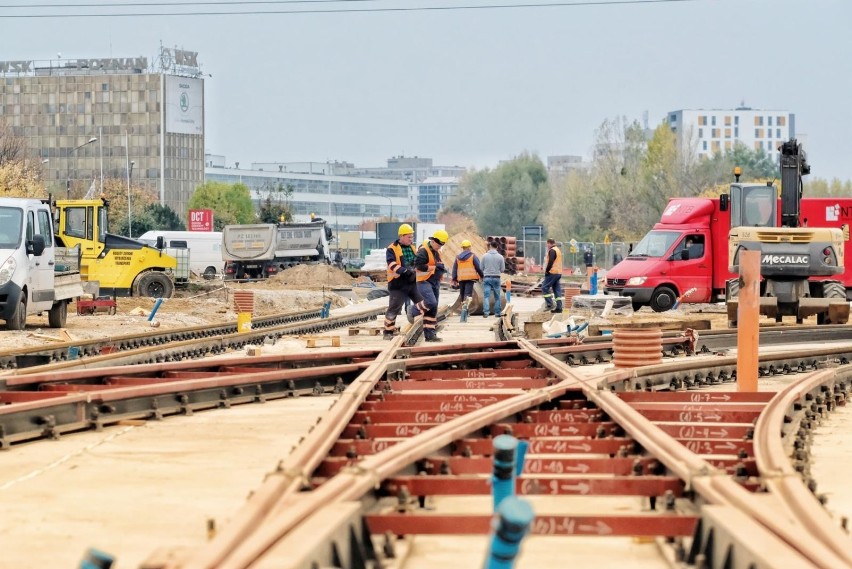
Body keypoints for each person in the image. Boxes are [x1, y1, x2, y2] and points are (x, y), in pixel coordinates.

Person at [383, 223, 427, 340]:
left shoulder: (412, 248)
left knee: (423, 303)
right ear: (401, 236)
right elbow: (391, 264)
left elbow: (415, 261)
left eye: (412, 237)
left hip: (411, 283)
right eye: (409, 237)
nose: (411, 239)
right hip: (398, 284)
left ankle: (425, 325)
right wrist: (404, 271)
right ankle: (388, 332)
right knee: (394, 309)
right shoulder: (392, 248)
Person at [412, 229, 449, 342]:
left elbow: (439, 264)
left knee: (432, 309)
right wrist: (434, 268)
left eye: (442, 244)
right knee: (430, 302)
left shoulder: (437, 251)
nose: (440, 246)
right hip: (424, 280)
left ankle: (430, 335)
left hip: (434, 281)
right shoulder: (423, 250)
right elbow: (418, 265)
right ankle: (412, 310)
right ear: (433, 241)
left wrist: (440, 272)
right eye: (439, 244)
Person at [451, 239, 484, 311]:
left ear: (462, 247)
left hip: (461, 278)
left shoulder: (458, 257)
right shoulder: (472, 256)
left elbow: (454, 269)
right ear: (469, 247)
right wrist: (482, 276)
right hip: (470, 278)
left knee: (462, 294)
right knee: (468, 294)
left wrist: (454, 279)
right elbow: (478, 267)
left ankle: (464, 310)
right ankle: (465, 310)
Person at [481, 240, 505, 317]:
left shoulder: (484, 256)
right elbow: (502, 270)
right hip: (496, 278)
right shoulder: (500, 257)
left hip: (487, 278)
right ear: (497, 247)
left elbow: (481, 268)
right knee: (497, 297)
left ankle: (486, 312)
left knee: (486, 296)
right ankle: (497, 313)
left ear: (490, 246)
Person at [542, 238, 564, 313]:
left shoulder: (552, 251)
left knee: (544, 287)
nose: (547, 245)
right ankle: (559, 307)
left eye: (547, 244)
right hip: (558, 273)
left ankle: (550, 304)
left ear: (549, 243)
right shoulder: (558, 250)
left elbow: (550, 261)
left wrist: (547, 270)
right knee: (556, 289)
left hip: (552, 272)